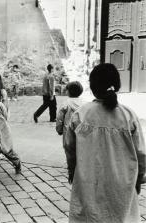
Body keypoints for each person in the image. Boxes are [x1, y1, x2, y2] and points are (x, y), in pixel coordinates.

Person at [65, 63, 146, 222]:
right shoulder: (129, 116)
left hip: (88, 182)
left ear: (92, 87)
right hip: (122, 184)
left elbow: (69, 148)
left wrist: (72, 171)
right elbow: (141, 153)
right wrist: (139, 178)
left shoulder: (81, 115)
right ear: (116, 86)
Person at [56, 81, 84, 168]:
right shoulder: (84, 103)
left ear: (69, 91)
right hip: (81, 130)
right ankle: (80, 163)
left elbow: (60, 118)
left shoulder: (66, 103)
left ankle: (71, 165)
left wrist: (59, 129)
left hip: (68, 130)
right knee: (80, 147)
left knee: (68, 148)